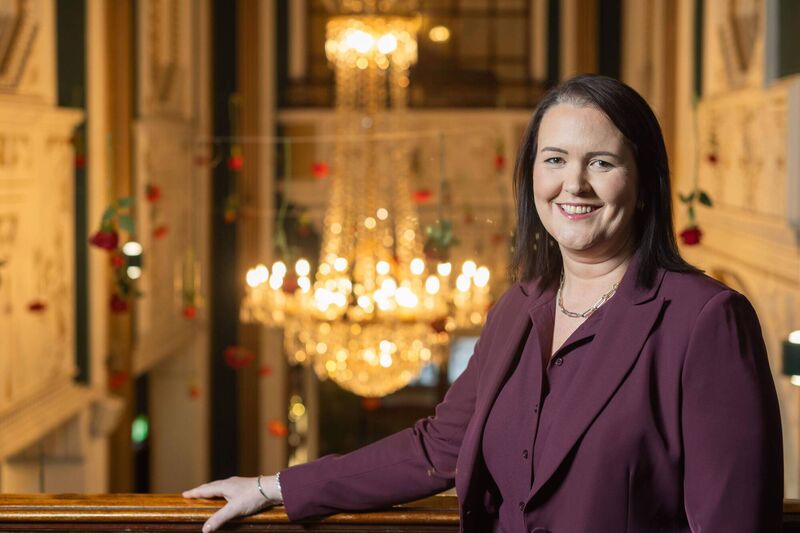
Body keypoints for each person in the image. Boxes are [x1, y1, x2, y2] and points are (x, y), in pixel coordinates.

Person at [183, 74, 784, 532]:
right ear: (531, 178)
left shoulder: (704, 320)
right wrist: (273, 487)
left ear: (646, 183)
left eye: (601, 162)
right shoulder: (519, 307)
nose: (573, 185)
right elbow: (438, 447)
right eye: (554, 160)